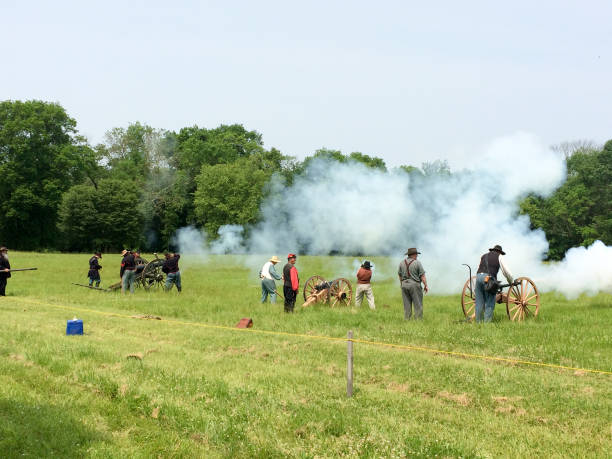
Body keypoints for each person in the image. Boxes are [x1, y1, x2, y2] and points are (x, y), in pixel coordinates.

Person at [474, 244, 513, 323]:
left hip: (478, 278)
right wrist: (511, 281)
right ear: (499, 252)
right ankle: (486, 325)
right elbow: (506, 272)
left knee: (479, 302)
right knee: (490, 302)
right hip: (488, 279)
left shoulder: (484, 256)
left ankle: (478, 323)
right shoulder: (499, 257)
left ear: (493, 250)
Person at [398, 247, 429, 320]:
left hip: (404, 284)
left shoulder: (401, 263)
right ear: (414, 255)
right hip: (414, 285)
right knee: (418, 304)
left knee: (406, 304)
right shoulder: (417, 263)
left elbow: (399, 274)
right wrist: (426, 285)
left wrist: (401, 283)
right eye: (416, 254)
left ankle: (407, 319)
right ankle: (418, 320)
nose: (417, 256)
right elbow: (422, 275)